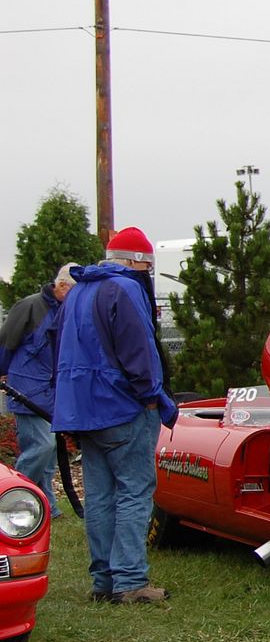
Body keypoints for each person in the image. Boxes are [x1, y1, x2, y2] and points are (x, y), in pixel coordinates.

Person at [53, 227, 177, 605]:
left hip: (82, 409)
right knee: (134, 492)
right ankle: (130, 580)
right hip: (123, 407)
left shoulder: (78, 291)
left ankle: (103, 580)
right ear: (138, 262)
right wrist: (151, 395)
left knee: (101, 495)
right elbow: (140, 351)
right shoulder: (125, 289)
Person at [0, 264, 77, 517]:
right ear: (62, 285)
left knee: (48, 451)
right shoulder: (31, 307)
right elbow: (6, 342)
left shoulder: (63, 309)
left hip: (48, 391)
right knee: (41, 447)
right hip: (27, 390)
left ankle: (49, 507)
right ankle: (9, 496)